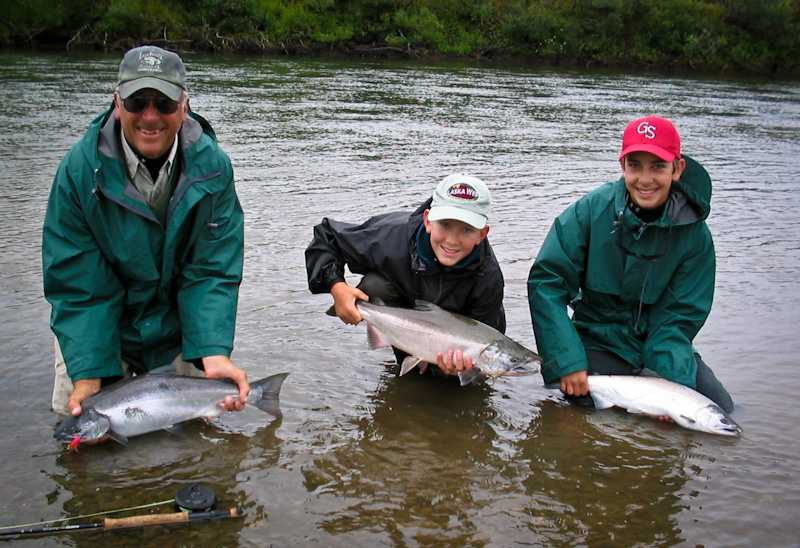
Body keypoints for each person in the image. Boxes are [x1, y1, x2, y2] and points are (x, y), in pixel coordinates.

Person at [43, 45, 249, 421]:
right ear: (118, 103)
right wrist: (89, 372)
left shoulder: (214, 169)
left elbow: (212, 270)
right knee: (80, 434)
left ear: (184, 108)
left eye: (165, 104)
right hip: (104, 327)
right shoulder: (78, 172)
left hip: (177, 322)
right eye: (138, 102)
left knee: (195, 440)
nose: (150, 116)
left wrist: (213, 351)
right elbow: (78, 283)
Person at [527, 115, 734, 413]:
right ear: (622, 166)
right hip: (597, 341)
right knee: (580, 405)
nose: (645, 179)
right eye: (635, 165)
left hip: (659, 343)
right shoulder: (589, 210)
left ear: (677, 169)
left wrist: (670, 382)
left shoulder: (696, 236)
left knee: (718, 409)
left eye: (658, 166)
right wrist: (567, 360)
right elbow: (547, 283)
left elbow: (679, 318)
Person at [305, 174, 506, 377]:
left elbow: (489, 336)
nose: (453, 240)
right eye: (445, 225)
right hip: (405, 320)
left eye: (466, 229)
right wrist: (336, 287)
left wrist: (465, 370)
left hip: (456, 345)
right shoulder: (389, 236)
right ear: (427, 220)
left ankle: (435, 373)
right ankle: (408, 359)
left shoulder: (488, 276)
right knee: (375, 285)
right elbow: (327, 238)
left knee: (473, 378)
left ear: (482, 234)